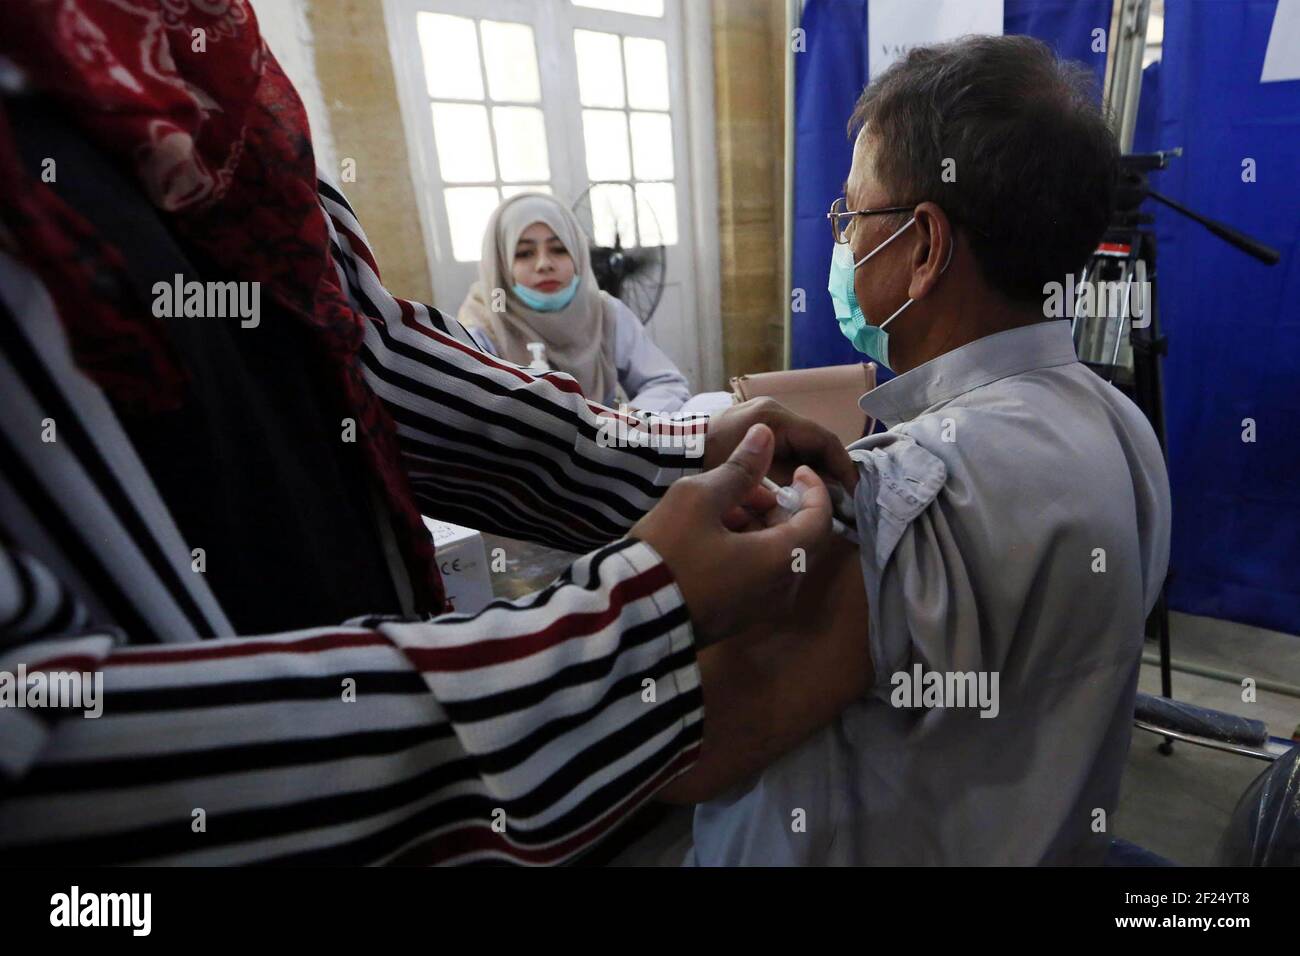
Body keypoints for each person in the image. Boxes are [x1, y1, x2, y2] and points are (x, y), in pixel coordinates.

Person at [0, 0, 861, 865]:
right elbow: (45, 754)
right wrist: (620, 630)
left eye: (854, 216)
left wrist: (679, 450)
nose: (546, 269)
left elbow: (361, 353)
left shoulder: (195, 63)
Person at [690, 35, 1172, 865]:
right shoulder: (1123, 426)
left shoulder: (901, 493)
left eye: (851, 216)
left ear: (922, 246)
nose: (840, 242)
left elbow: (681, 753)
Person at [458, 192, 691, 413]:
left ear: (578, 254)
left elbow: (665, 382)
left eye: (559, 249)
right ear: (500, 265)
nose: (544, 264)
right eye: (524, 253)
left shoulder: (604, 313)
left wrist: (629, 419)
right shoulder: (482, 327)